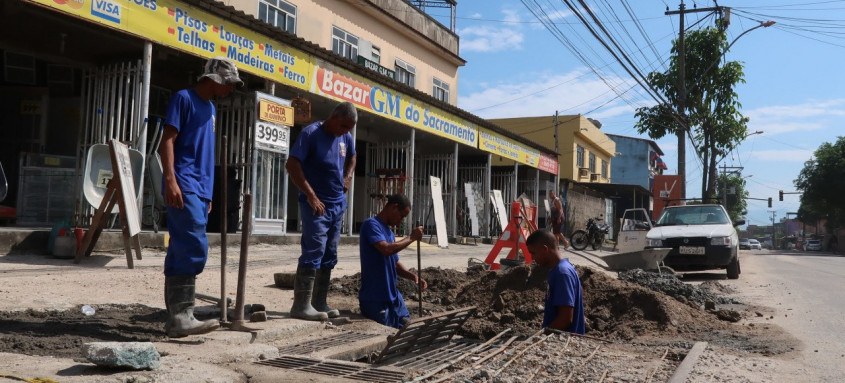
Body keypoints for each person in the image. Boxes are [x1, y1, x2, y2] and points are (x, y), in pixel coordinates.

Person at [160, 57, 242, 337]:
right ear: (214, 79)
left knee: (182, 246)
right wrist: (170, 179)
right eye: (229, 84)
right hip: (183, 180)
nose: (231, 89)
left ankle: (177, 318)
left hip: (199, 186)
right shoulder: (184, 99)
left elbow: (205, 153)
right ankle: (181, 316)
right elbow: (167, 140)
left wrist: (208, 195)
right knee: (194, 243)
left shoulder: (210, 108)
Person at [286, 102, 357, 321]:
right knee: (314, 249)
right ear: (334, 116)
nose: (345, 131)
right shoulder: (311, 134)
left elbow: (353, 156)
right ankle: (301, 305)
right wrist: (311, 195)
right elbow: (292, 165)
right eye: (343, 126)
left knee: (330, 254)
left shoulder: (346, 138)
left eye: (349, 128)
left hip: (337, 204)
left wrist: (348, 176)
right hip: (316, 204)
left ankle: (319, 302)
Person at [358, 194, 426, 328]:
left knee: (409, 327)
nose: (400, 221)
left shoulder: (388, 232)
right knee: (390, 333)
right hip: (376, 299)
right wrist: (412, 237)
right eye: (402, 216)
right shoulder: (371, 225)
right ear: (394, 207)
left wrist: (413, 276)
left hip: (394, 297)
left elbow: (394, 263)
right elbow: (387, 250)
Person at [526, 230, 585, 334]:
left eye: (533, 253)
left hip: (564, 343)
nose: (532, 258)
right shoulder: (558, 270)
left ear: (545, 249)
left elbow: (565, 319)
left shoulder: (562, 273)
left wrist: (541, 335)